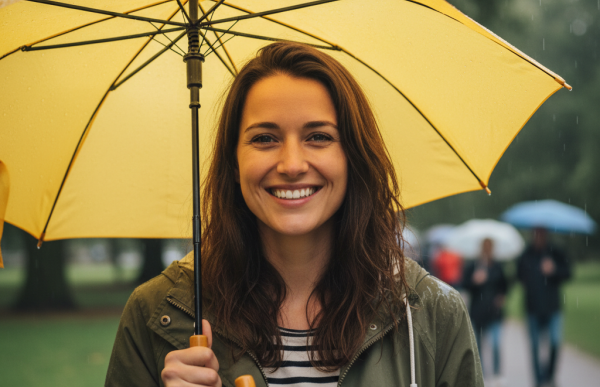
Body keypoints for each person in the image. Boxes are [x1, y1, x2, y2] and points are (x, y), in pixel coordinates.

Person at [105, 42, 483, 387]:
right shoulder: (156, 315)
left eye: (318, 136)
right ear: (233, 163)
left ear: (352, 156)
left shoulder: (432, 315)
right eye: (264, 138)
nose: (291, 164)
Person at [517, 228, 571, 387]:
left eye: (542, 233)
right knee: (534, 346)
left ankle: (549, 375)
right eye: (536, 233)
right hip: (532, 307)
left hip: (553, 307)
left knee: (555, 342)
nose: (539, 236)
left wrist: (553, 270)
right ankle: (538, 381)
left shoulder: (556, 253)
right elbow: (519, 276)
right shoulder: (526, 254)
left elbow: (567, 273)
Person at [462, 238, 508, 384]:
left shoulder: (497, 266)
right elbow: (465, 284)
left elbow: (504, 285)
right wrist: (474, 281)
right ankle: (480, 373)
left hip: (494, 312)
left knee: (495, 344)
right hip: (478, 311)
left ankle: (496, 373)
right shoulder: (473, 266)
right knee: (478, 344)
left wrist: (501, 296)